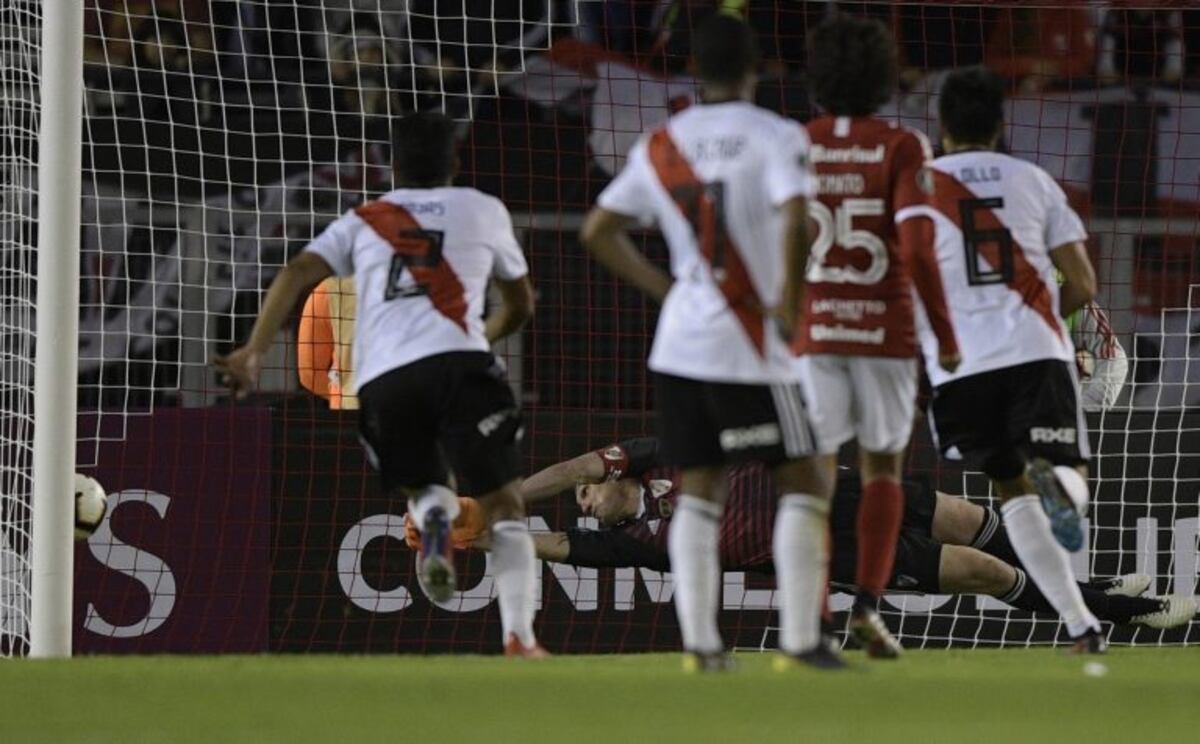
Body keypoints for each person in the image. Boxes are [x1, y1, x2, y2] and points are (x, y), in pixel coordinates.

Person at [214, 111, 543, 657]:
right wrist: (481, 336)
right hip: (462, 366)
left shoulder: (365, 219)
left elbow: (297, 270)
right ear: (455, 161)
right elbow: (521, 305)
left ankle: (433, 515)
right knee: (504, 506)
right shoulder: (484, 210)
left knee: (426, 487)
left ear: (392, 165)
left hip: (386, 378)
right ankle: (519, 639)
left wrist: (255, 350)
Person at [580, 13, 837, 671]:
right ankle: (803, 642)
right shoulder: (776, 135)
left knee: (699, 490)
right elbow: (797, 220)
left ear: (693, 72)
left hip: (681, 343)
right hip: (750, 340)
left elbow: (598, 231)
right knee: (806, 480)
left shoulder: (662, 143)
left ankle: (701, 646)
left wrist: (668, 290)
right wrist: (785, 304)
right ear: (756, 69)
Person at [405, 438, 1196, 632]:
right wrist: (478, 534)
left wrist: (500, 493)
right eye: (581, 505)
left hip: (832, 490)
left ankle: (1099, 587)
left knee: (968, 515)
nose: (583, 503)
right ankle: (1125, 611)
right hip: (829, 551)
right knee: (982, 573)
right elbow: (546, 547)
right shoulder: (630, 541)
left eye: (585, 493)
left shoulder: (651, 454)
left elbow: (580, 460)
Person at [896, 67, 1107, 654]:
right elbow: (1085, 284)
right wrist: (1052, 327)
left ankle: (1080, 624)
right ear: (1000, 125)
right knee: (1065, 481)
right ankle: (1062, 486)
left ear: (940, 126)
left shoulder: (917, 184)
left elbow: (906, 271)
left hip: (960, 364)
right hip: (1034, 352)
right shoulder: (1035, 181)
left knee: (1012, 495)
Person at [793, 15, 959, 658]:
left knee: (813, 478)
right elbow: (918, 250)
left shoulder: (795, 143)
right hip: (885, 332)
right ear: (885, 79)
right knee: (884, 469)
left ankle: (813, 618)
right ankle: (866, 607)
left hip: (816, 329)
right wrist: (944, 335)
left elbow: (775, 239)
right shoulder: (905, 145)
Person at [297, 277, 358, 409]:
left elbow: (309, 373)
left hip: (349, 408)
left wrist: (338, 393)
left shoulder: (328, 290)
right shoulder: (409, 287)